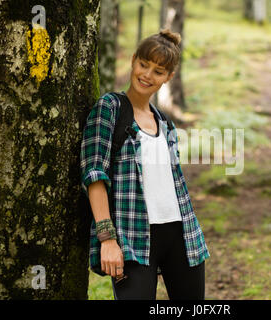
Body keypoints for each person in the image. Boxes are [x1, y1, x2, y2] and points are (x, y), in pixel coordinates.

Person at [80, 29, 210, 300]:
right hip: (133, 234)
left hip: (182, 234)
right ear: (133, 60)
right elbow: (94, 175)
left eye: (159, 71)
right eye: (144, 65)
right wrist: (107, 239)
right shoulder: (110, 108)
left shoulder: (165, 122)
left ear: (168, 78)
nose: (148, 75)